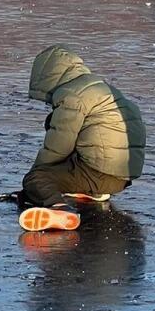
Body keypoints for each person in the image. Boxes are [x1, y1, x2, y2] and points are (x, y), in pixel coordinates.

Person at [16, 45, 146, 234]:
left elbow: (58, 146)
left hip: (100, 173)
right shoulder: (100, 88)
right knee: (62, 134)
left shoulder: (72, 95)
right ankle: (92, 192)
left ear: (48, 76)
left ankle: (60, 209)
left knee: (36, 178)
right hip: (124, 175)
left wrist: (36, 178)